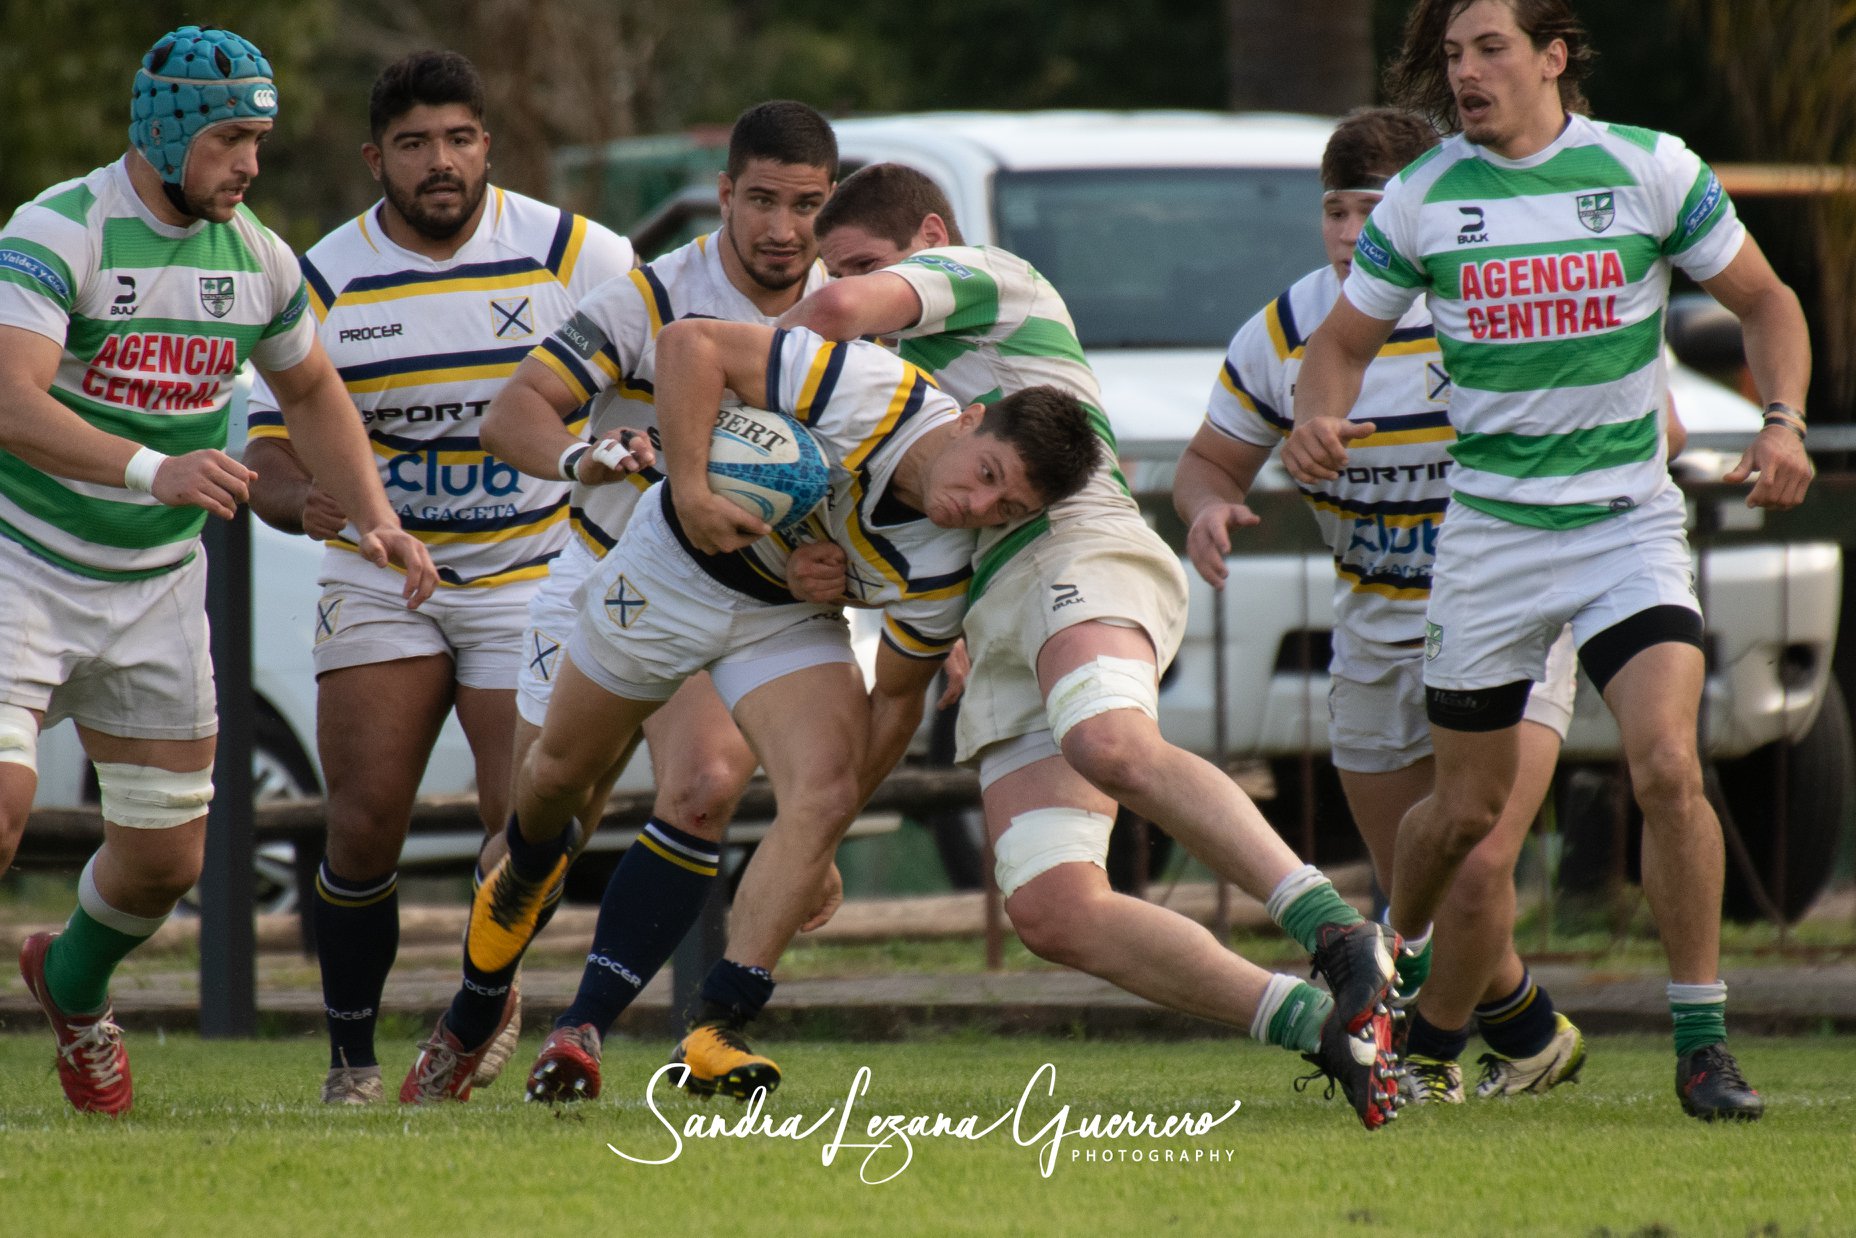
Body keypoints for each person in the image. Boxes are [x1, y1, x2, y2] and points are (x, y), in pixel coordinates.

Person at [769, 163, 1403, 1131]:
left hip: (1076, 545)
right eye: (834, 267)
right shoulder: (886, 400)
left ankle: (1336, 931)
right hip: (988, 627)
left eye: (858, 261)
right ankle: (1321, 1025)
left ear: (929, 236)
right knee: (1053, 909)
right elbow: (878, 550)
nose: (846, 290)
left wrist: (770, 364)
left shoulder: (986, 279)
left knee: (1104, 738)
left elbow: (836, 311)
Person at [1284, 0, 1814, 1122]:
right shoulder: (1425, 196)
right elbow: (1336, 345)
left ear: (1551, 57)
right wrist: (1313, 418)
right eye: (1450, 56)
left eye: (1487, 50)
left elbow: (1765, 301)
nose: (1463, 73)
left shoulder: (1648, 169)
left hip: (1624, 525)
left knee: (1665, 762)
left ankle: (1700, 1043)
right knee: (1460, 815)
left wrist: (1781, 420)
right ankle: (1392, 963)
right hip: (1490, 541)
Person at [402, 317, 1099, 1103]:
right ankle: (479, 997)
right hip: (673, 570)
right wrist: (695, 490)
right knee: (556, 782)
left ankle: (709, 1024)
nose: (975, 506)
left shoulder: (945, 565)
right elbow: (689, 344)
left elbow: (896, 702)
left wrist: (818, 833)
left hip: (784, 622)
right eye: (985, 472)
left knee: (820, 786)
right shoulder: (876, 393)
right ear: (971, 420)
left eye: (1005, 508)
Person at [0, 25, 437, 1115]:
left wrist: (378, 519)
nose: (250, 163)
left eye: (260, 139)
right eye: (231, 139)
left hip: (153, 588)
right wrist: (156, 467)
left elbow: (314, 394)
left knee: (162, 866)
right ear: (165, 131)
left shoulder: (259, 257)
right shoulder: (61, 229)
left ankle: (71, 985)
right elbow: (11, 399)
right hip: (23, 563)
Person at [394, 102, 837, 1090]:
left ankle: (580, 1030)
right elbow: (513, 412)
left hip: (745, 597)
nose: (779, 227)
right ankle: (473, 1007)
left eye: (804, 205)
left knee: (706, 783)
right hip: (611, 573)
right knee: (548, 810)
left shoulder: (847, 310)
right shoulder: (654, 294)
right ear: (723, 195)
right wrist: (580, 455)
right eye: (759, 200)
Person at [1177, 106, 1592, 1107]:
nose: (1353, 228)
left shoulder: (1487, 314)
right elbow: (1204, 463)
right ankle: (1531, 1031)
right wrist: (1206, 510)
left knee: (1479, 849)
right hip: (1370, 631)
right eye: (1335, 209)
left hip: (1510, 622)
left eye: (1378, 206)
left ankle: (1423, 1050)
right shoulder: (1281, 332)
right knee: (1417, 881)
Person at [242, 50, 635, 1105]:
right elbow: (267, 453)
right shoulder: (321, 275)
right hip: (382, 572)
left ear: (486, 146)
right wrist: (302, 500)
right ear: (377, 159)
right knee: (365, 819)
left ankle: (478, 1001)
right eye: (414, 145)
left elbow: (661, 374)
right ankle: (351, 1059)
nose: (440, 163)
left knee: (531, 822)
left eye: (459, 138)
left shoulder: (573, 253)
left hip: (531, 572)